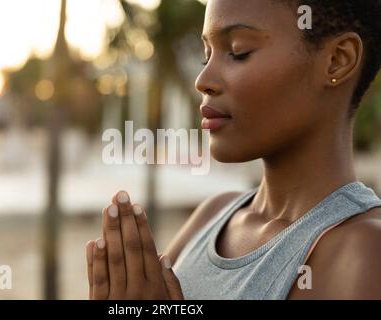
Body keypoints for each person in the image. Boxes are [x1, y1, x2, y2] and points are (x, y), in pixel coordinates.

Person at [86, 0, 381, 300]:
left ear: (337, 60)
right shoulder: (214, 215)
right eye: (206, 56)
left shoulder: (364, 252)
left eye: (238, 52)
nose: (202, 81)